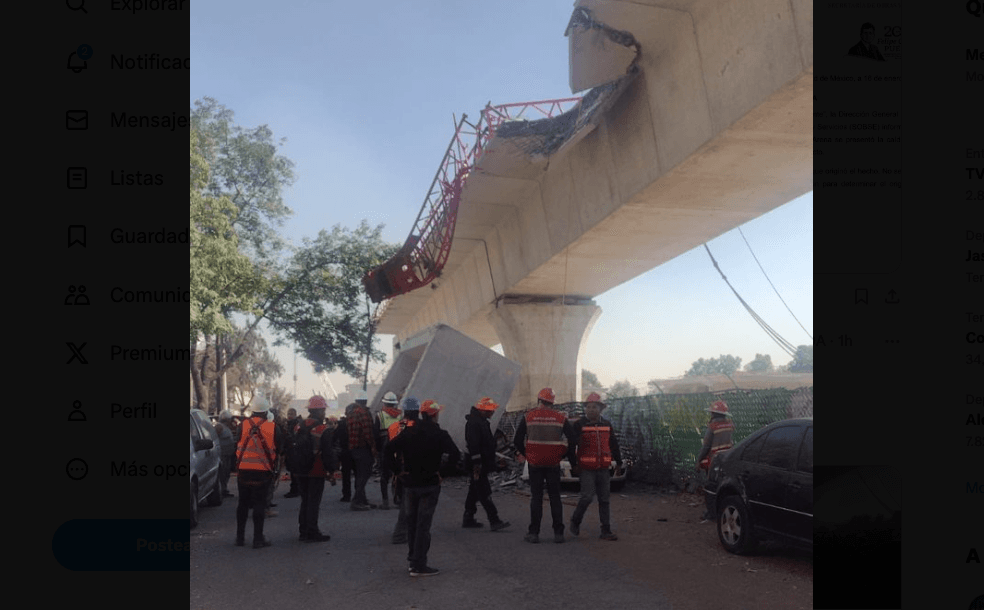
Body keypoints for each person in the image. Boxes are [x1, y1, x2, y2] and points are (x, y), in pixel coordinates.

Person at [386, 397, 461, 577]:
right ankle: (419, 564)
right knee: (423, 526)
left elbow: (388, 449)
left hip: (410, 484)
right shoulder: (440, 434)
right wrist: (443, 473)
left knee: (412, 524)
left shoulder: (408, 432)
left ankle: (413, 561)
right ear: (435, 415)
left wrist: (397, 471)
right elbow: (455, 455)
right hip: (430, 484)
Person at [513, 388, 576, 544]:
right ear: (553, 402)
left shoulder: (529, 416)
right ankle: (558, 534)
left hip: (535, 463)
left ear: (539, 400)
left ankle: (533, 533)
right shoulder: (560, 418)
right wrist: (563, 455)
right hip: (553, 462)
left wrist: (527, 454)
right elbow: (573, 440)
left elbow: (517, 440)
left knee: (536, 497)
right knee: (555, 497)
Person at [233, 394, 285, 548]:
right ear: (265, 410)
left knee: (242, 504)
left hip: (243, 471)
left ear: (253, 410)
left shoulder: (242, 425)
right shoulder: (273, 426)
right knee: (259, 504)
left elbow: (237, 443)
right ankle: (257, 539)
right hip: (263, 472)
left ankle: (240, 538)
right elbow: (280, 448)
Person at [569, 393, 622, 541]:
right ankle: (575, 521)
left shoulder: (606, 424)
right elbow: (571, 446)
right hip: (586, 468)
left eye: (594, 407)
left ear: (600, 409)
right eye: (589, 407)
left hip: (603, 468)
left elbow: (613, 444)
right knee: (587, 497)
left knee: (604, 500)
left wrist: (618, 462)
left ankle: (606, 530)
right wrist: (574, 464)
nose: (591, 410)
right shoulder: (579, 425)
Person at [294, 395, 339, 542]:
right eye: (323, 409)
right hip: (316, 470)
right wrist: (332, 470)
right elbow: (328, 452)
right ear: (319, 411)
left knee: (305, 500)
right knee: (313, 502)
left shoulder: (298, 426)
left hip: (299, 469)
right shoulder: (322, 429)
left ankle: (303, 531)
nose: (325, 413)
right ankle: (312, 532)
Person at [462, 397, 511, 532]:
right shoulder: (474, 424)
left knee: (474, 490)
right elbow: (474, 446)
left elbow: (485, 445)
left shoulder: (480, 422)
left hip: (480, 464)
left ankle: (468, 517)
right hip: (477, 465)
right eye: (490, 410)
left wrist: (493, 458)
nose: (492, 412)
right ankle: (494, 519)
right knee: (484, 492)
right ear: (482, 410)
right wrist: (477, 464)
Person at [386, 397, 420, 545]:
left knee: (406, 500)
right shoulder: (418, 427)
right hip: (412, 467)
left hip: (399, 468)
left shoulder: (394, 427)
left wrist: (395, 470)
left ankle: (406, 532)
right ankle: (401, 534)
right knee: (410, 502)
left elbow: (388, 449)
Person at [697, 400, 735, 520]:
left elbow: (706, 446)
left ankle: (711, 513)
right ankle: (722, 510)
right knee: (723, 486)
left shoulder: (712, 427)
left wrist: (699, 460)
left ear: (713, 413)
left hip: (714, 461)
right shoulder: (729, 425)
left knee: (711, 487)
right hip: (727, 459)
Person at [347, 397, 378, 510]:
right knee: (364, 474)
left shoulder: (351, 413)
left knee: (359, 474)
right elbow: (367, 432)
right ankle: (357, 501)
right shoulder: (363, 413)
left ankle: (362, 500)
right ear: (365, 402)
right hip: (363, 448)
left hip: (354, 448)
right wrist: (373, 447)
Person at [375, 392, 403, 510]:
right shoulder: (400, 416)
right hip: (398, 448)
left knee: (384, 476)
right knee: (398, 474)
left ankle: (385, 502)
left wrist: (376, 450)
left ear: (385, 403)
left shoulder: (379, 415)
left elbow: (376, 434)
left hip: (385, 448)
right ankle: (398, 500)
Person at [213, 410, 237, 498]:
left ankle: (224, 489)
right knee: (222, 473)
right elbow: (215, 438)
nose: (231, 421)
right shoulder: (219, 426)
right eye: (229, 419)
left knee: (226, 472)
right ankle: (221, 490)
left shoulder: (227, 427)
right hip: (222, 454)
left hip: (228, 454)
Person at [333, 405, 353, 502]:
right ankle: (360, 495)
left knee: (346, 475)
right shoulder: (358, 422)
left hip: (345, 452)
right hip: (356, 450)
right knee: (359, 475)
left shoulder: (341, 424)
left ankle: (346, 495)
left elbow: (334, 437)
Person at [284, 407, 303, 498]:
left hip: (294, 451)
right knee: (292, 471)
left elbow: (295, 436)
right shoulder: (288, 424)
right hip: (290, 450)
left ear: (295, 414)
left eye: (291, 414)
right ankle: (296, 489)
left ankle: (295, 490)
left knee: (294, 472)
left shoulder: (296, 424)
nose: (289, 416)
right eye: (288, 414)